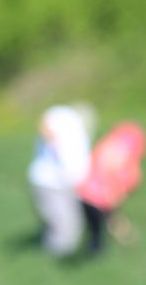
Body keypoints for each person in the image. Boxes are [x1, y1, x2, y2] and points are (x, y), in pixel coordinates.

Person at [27, 104, 95, 258]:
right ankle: (53, 262)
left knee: (73, 224)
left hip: (68, 183)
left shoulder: (77, 131)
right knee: (63, 226)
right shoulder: (64, 116)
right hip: (50, 183)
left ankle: (60, 259)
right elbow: (45, 127)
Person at [77, 121, 146, 247]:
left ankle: (127, 240)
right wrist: (115, 191)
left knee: (106, 221)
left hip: (89, 194)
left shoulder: (106, 147)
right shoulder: (116, 154)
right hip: (97, 196)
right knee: (100, 229)